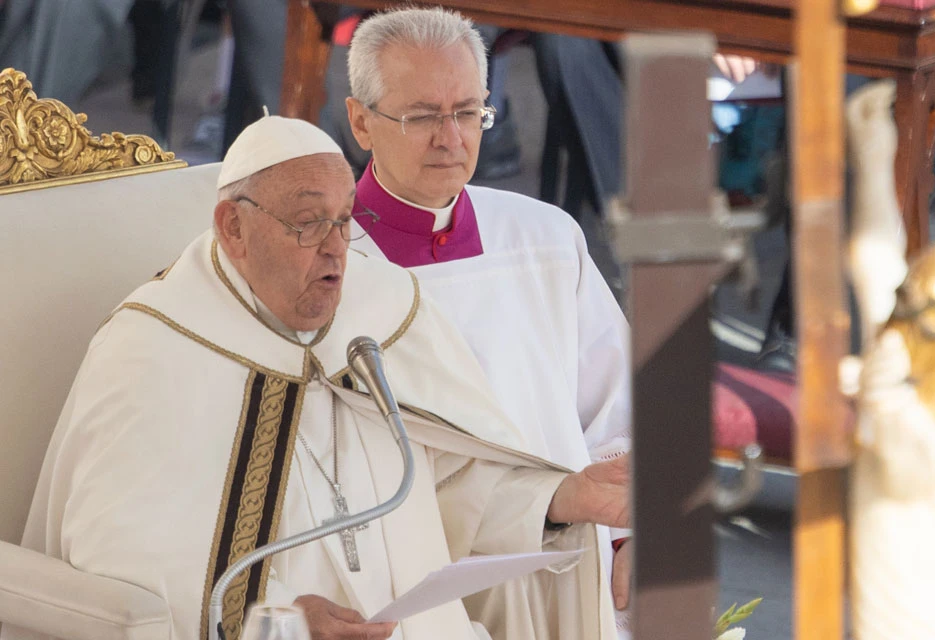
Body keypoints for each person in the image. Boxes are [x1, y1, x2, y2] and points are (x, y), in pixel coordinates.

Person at [1, 116, 628, 640]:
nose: (336, 248)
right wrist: (275, 623)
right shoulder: (152, 350)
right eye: (307, 223)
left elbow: (447, 486)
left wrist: (559, 498)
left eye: (345, 218)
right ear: (233, 229)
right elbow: (120, 574)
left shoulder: (380, 315)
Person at [342, 6, 634, 622]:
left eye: (469, 112)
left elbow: (616, 404)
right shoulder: (330, 267)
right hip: (413, 581)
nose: (451, 138)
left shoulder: (546, 239)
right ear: (360, 121)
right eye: (421, 116)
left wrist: (630, 533)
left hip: (575, 564)